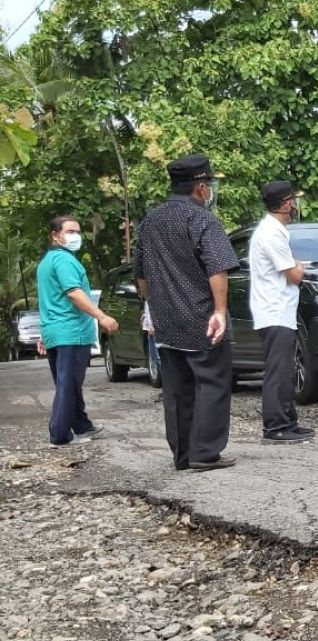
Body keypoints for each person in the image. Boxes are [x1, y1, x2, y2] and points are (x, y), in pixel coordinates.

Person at [133, 153, 239, 470]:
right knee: (212, 382)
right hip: (201, 316)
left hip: (165, 319)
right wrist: (220, 311)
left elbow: (141, 274)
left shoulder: (150, 221)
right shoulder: (202, 219)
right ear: (200, 188)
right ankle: (205, 452)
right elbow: (218, 268)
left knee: (177, 388)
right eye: (209, 184)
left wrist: (151, 308)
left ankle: (182, 454)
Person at [36, 215, 118, 446]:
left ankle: (81, 425)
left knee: (69, 382)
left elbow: (48, 300)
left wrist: (44, 333)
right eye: (70, 232)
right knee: (69, 384)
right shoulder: (64, 261)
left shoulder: (47, 262)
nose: (76, 236)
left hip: (55, 331)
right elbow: (74, 293)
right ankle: (60, 434)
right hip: (70, 332)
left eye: (78, 232)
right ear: (55, 235)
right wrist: (101, 316)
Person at [249, 180, 313, 442]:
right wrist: (298, 266)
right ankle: (275, 426)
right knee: (278, 370)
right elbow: (294, 273)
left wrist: (295, 265)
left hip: (281, 310)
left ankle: (288, 420)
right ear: (286, 204)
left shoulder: (274, 231)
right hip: (274, 310)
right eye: (292, 200)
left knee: (286, 368)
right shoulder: (271, 234)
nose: (295, 205)